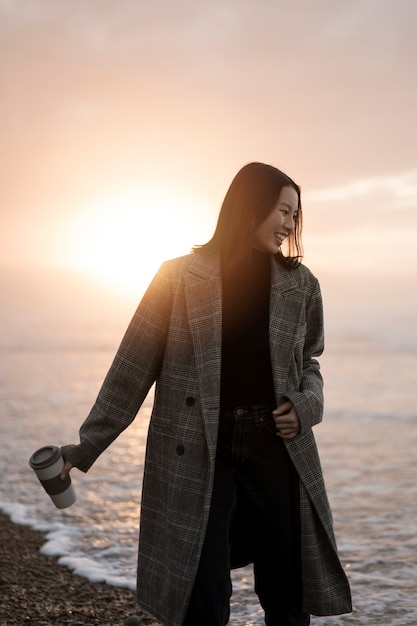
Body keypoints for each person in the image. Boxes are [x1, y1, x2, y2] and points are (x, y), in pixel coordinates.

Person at [60, 162, 352, 626]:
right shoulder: (177, 278)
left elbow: (311, 365)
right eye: (282, 211)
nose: (290, 225)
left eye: (295, 216)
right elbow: (132, 369)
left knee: (287, 587)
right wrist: (85, 446)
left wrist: (307, 406)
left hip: (277, 448)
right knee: (202, 587)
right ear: (249, 207)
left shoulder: (302, 285)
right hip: (198, 448)